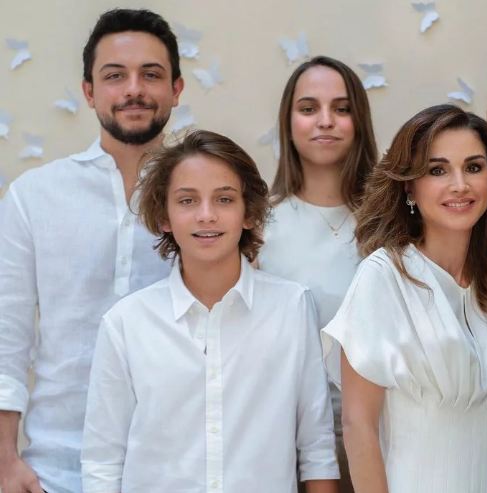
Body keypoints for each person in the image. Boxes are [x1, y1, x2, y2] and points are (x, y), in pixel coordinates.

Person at [80, 130, 339, 493]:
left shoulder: (292, 308)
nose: (206, 215)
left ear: (248, 213)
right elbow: (103, 461)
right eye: (187, 200)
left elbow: (316, 446)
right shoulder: (125, 323)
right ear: (164, 216)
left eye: (224, 199)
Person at [0, 9, 184, 493]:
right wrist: (4, 461)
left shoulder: (204, 202)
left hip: (178, 469)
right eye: (114, 76)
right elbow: (5, 337)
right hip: (56, 471)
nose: (133, 90)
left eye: (151, 74)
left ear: (177, 89)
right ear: (89, 91)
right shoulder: (34, 196)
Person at [320, 104, 487, 493]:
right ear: (409, 187)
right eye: (437, 170)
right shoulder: (384, 276)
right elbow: (358, 425)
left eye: (473, 167)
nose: (460, 185)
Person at [259, 55, 377, 493]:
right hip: (281, 439)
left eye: (341, 109)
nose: (325, 121)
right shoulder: (258, 225)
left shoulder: (390, 224)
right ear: (288, 122)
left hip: (375, 435)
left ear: (359, 121)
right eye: (309, 108)